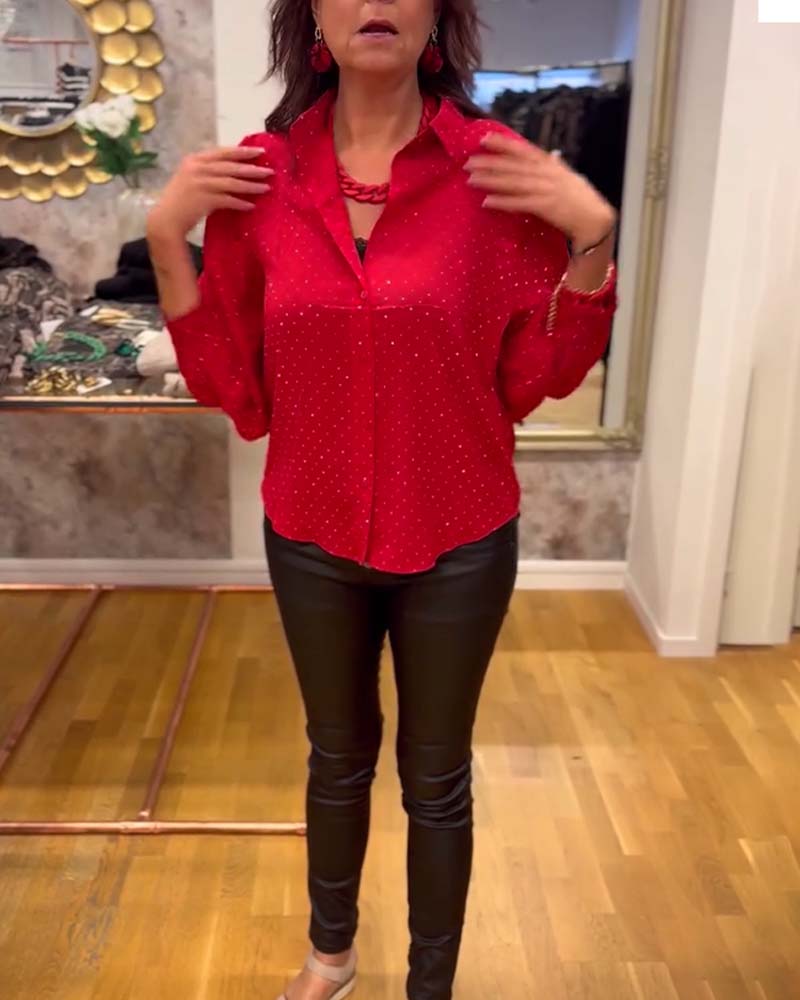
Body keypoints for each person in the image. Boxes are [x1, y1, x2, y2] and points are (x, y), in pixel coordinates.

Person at [147, 1, 617, 997]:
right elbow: (235, 387)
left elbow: (536, 377)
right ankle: (332, 957)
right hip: (311, 530)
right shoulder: (260, 180)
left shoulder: (493, 175)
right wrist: (163, 235)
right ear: (313, 19)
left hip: (459, 533)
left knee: (436, 777)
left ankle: (429, 986)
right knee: (335, 756)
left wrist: (590, 240)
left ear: (436, 18)